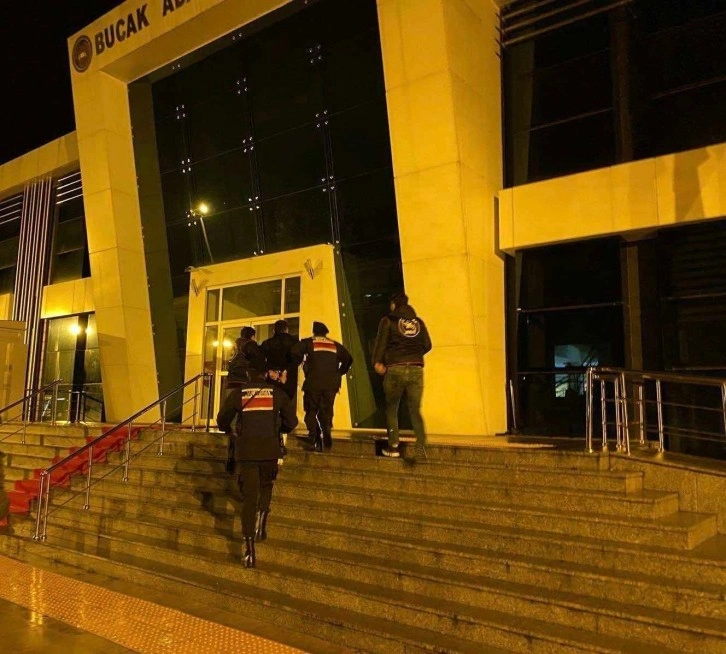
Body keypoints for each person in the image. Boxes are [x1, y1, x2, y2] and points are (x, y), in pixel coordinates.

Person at [216, 352, 298, 568]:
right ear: (265, 373)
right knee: (266, 485)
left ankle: (249, 549)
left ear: (248, 373)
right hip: (270, 451)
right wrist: (279, 429)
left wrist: (229, 429)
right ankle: (262, 519)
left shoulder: (240, 394)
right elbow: (292, 422)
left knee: (249, 499)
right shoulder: (277, 393)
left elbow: (222, 420)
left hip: (247, 453)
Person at [372, 292, 432, 460]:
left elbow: (381, 343)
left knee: (392, 408)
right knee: (415, 409)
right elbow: (428, 345)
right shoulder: (418, 322)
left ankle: (393, 447)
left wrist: (377, 362)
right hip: (416, 369)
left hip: (395, 369)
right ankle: (421, 447)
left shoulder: (388, 321)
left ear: (393, 304)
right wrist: (414, 355)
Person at [293, 321, 353, 452]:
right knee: (326, 410)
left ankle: (313, 437)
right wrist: (339, 372)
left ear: (314, 332)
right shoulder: (334, 344)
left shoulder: (309, 342)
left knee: (311, 410)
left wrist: (300, 362)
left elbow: (294, 351)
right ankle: (327, 433)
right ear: (325, 333)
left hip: (313, 383)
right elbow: (349, 359)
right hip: (331, 384)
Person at [260, 320, 301, 402]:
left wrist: (269, 370)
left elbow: (260, 360)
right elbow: (297, 359)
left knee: (273, 402)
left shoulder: (267, 343)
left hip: (272, 378)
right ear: (286, 330)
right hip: (289, 379)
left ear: (274, 330)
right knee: (287, 403)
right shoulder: (294, 342)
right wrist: (285, 372)